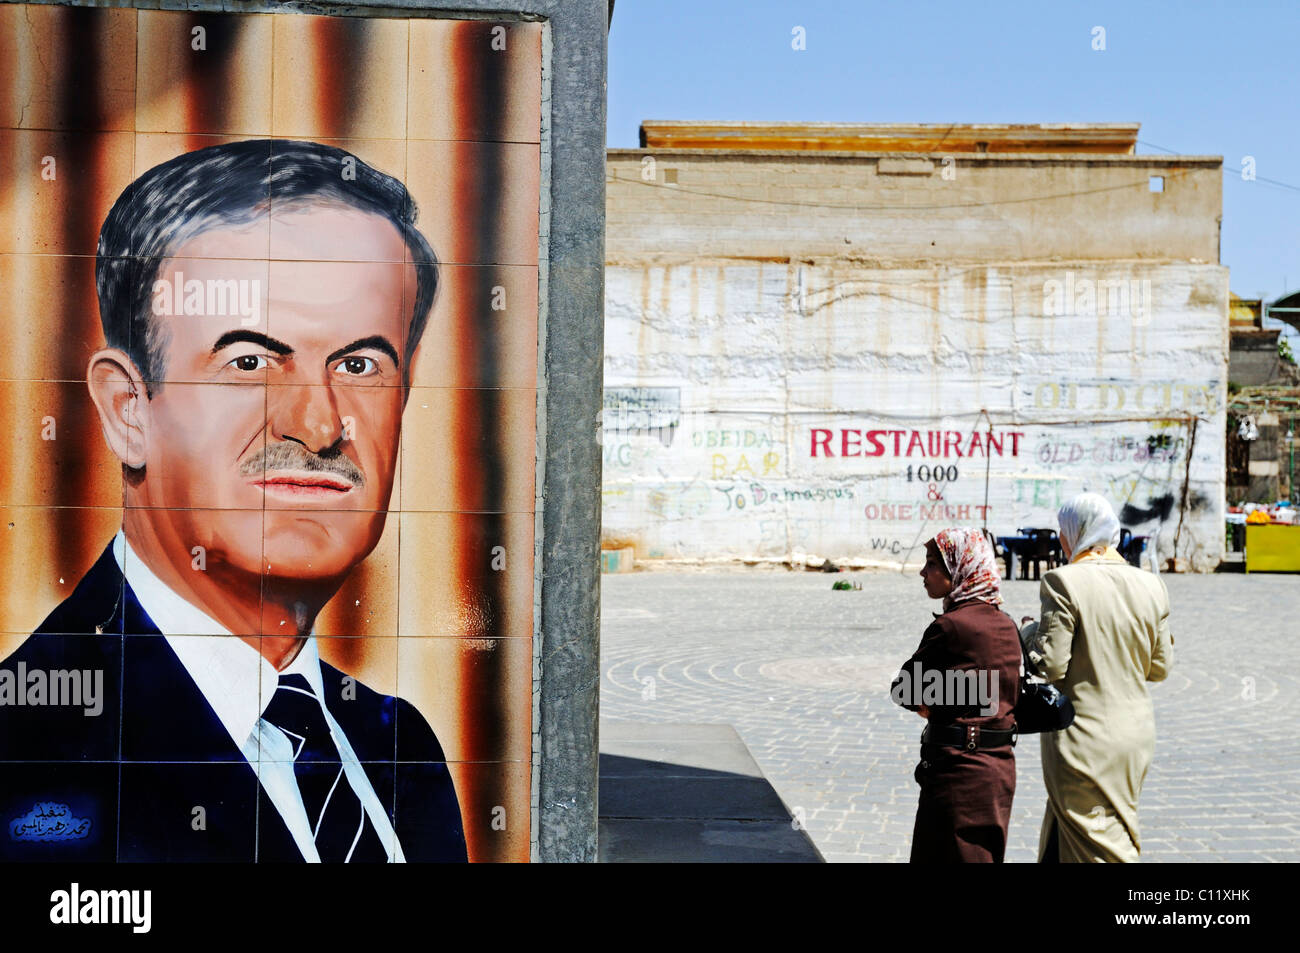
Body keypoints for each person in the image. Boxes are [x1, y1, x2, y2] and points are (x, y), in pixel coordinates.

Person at [0, 140, 466, 862]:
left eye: (360, 364)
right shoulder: (32, 752)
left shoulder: (398, 744)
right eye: (249, 360)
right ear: (129, 409)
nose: (317, 424)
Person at [1020, 492, 1173, 863]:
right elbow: (1160, 667)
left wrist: (1029, 634)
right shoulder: (1151, 584)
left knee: (1102, 847)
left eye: (1062, 532)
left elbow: (1049, 666)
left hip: (1083, 741)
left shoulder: (1064, 581)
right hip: (1134, 737)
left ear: (1073, 534)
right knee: (1074, 832)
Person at [893, 528, 1021, 862]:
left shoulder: (952, 626)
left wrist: (935, 704)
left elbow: (903, 689)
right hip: (998, 770)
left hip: (958, 773)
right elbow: (996, 693)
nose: (923, 572)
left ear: (958, 568)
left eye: (933, 563)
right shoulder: (1006, 624)